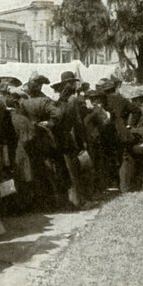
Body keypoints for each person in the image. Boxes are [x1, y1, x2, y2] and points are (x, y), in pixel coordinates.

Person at [51, 71, 87, 207]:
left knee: (63, 171)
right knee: (72, 170)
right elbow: (77, 124)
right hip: (68, 139)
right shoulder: (73, 101)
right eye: (71, 82)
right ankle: (76, 201)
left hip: (58, 139)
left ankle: (66, 201)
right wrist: (82, 141)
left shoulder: (57, 102)